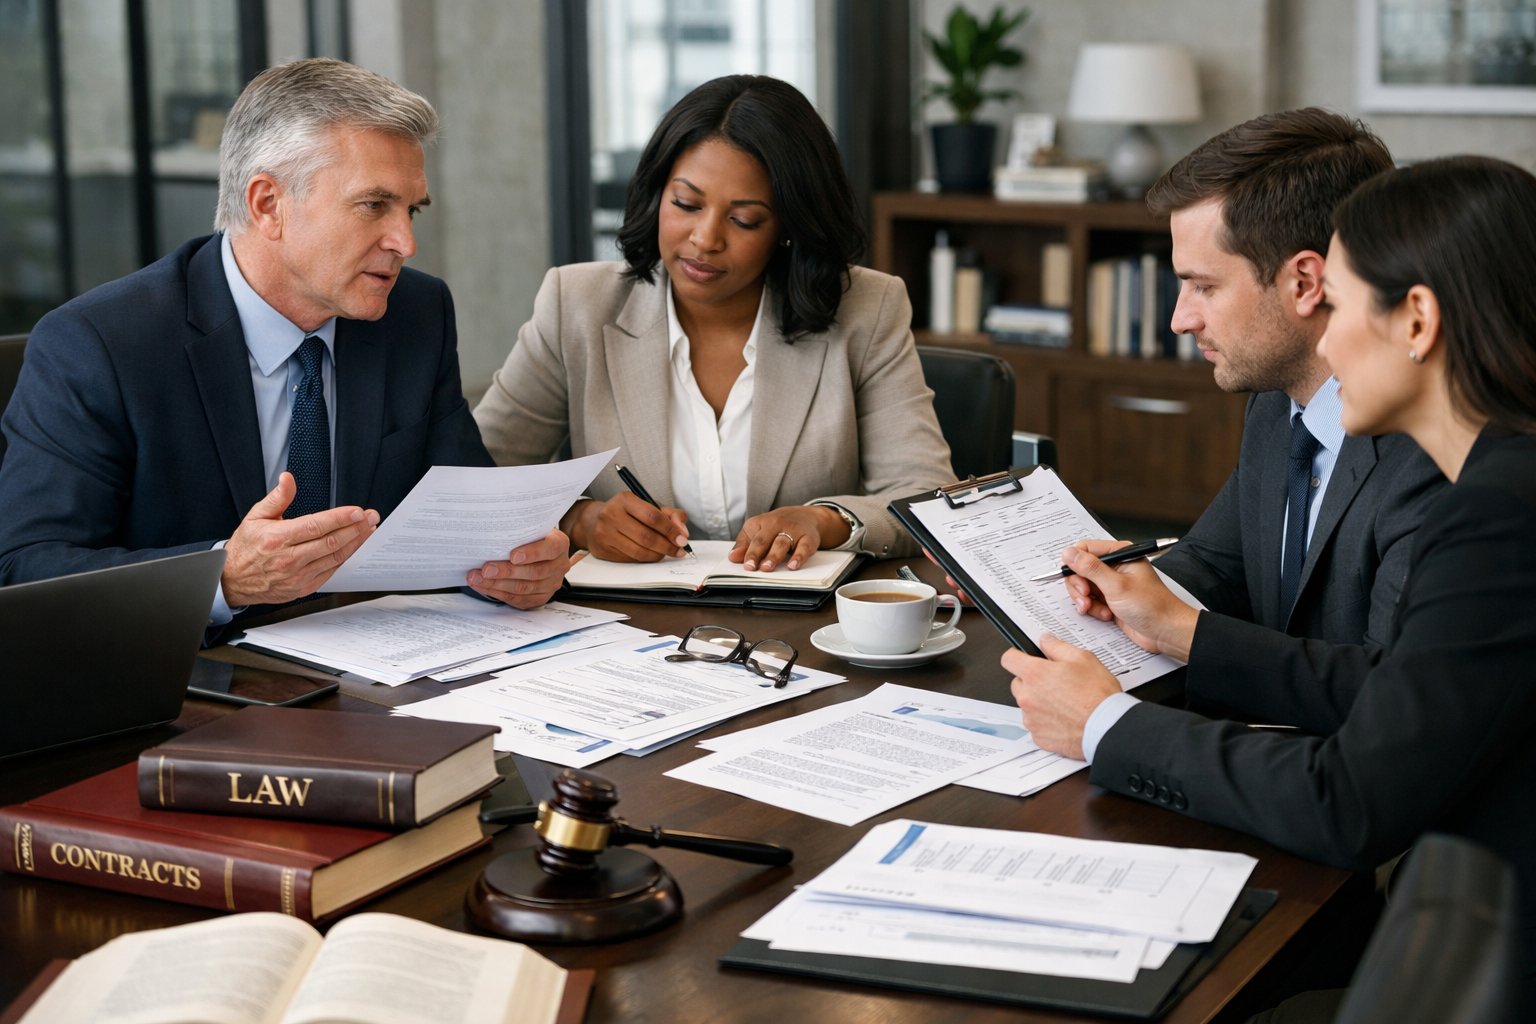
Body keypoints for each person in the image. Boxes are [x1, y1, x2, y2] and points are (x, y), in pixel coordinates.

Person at [1007, 156, 1536, 1014]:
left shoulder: (1494, 517)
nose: (1325, 341)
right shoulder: (1502, 485)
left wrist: (1107, 723)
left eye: (1345, 304)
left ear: (1418, 320)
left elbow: (1350, 800)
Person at [0, 58, 570, 623]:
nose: (405, 241)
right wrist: (222, 579)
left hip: (381, 669)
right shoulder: (98, 344)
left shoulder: (416, 313)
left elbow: (470, 519)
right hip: (192, 685)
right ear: (268, 204)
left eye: (411, 210)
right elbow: (27, 567)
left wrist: (518, 564)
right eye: (374, 205)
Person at [473, 75, 952, 571]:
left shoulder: (867, 309)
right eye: (686, 204)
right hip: (627, 629)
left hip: (807, 629)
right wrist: (580, 520)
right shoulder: (576, 304)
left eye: (744, 220)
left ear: (789, 227)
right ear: (657, 193)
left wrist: (825, 521)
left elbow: (926, 497)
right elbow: (479, 475)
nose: (705, 239)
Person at [1138, 108, 1443, 652]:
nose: (1179, 320)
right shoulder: (1278, 406)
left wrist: (1184, 637)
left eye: (1203, 287)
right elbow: (1215, 564)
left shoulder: (1431, 449)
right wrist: (1109, 586)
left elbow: (1381, 689)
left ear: (1305, 282)